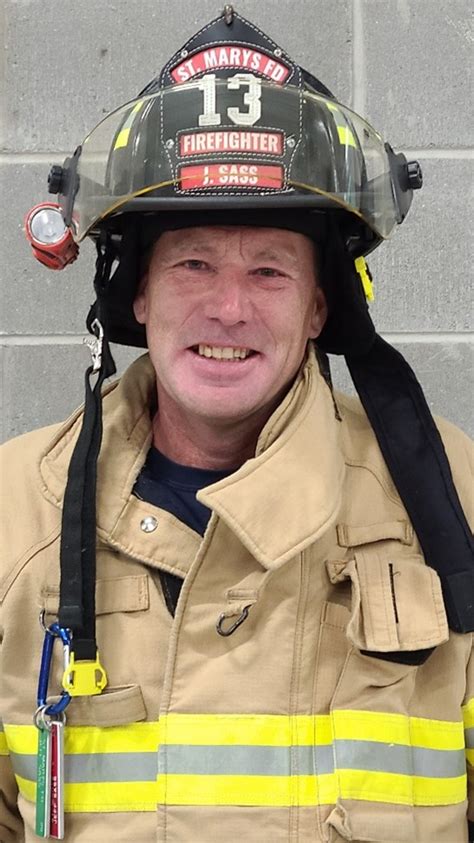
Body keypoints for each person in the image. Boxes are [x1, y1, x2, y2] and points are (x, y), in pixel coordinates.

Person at [1, 7, 473, 843]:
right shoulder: (14, 512)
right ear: (139, 297)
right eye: (194, 262)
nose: (229, 307)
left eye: (269, 270)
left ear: (319, 307)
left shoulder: (451, 495)